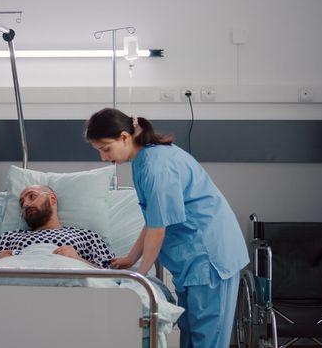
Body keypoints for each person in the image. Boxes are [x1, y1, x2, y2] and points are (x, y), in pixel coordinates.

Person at [85, 108, 249, 348]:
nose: (103, 157)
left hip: (210, 258)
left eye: (106, 148)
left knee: (207, 340)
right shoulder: (143, 160)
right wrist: (132, 257)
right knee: (191, 335)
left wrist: (140, 275)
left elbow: (158, 229)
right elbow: (154, 218)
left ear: (124, 137)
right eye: (99, 151)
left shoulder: (155, 165)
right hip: (192, 262)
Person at [0, 185, 114, 268]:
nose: (25, 204)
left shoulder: (86, 236)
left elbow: (111, 275)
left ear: (52, 198)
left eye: (32, 196)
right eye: (22, 203)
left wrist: (79, 260)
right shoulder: (9, 237)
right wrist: (0, 261)